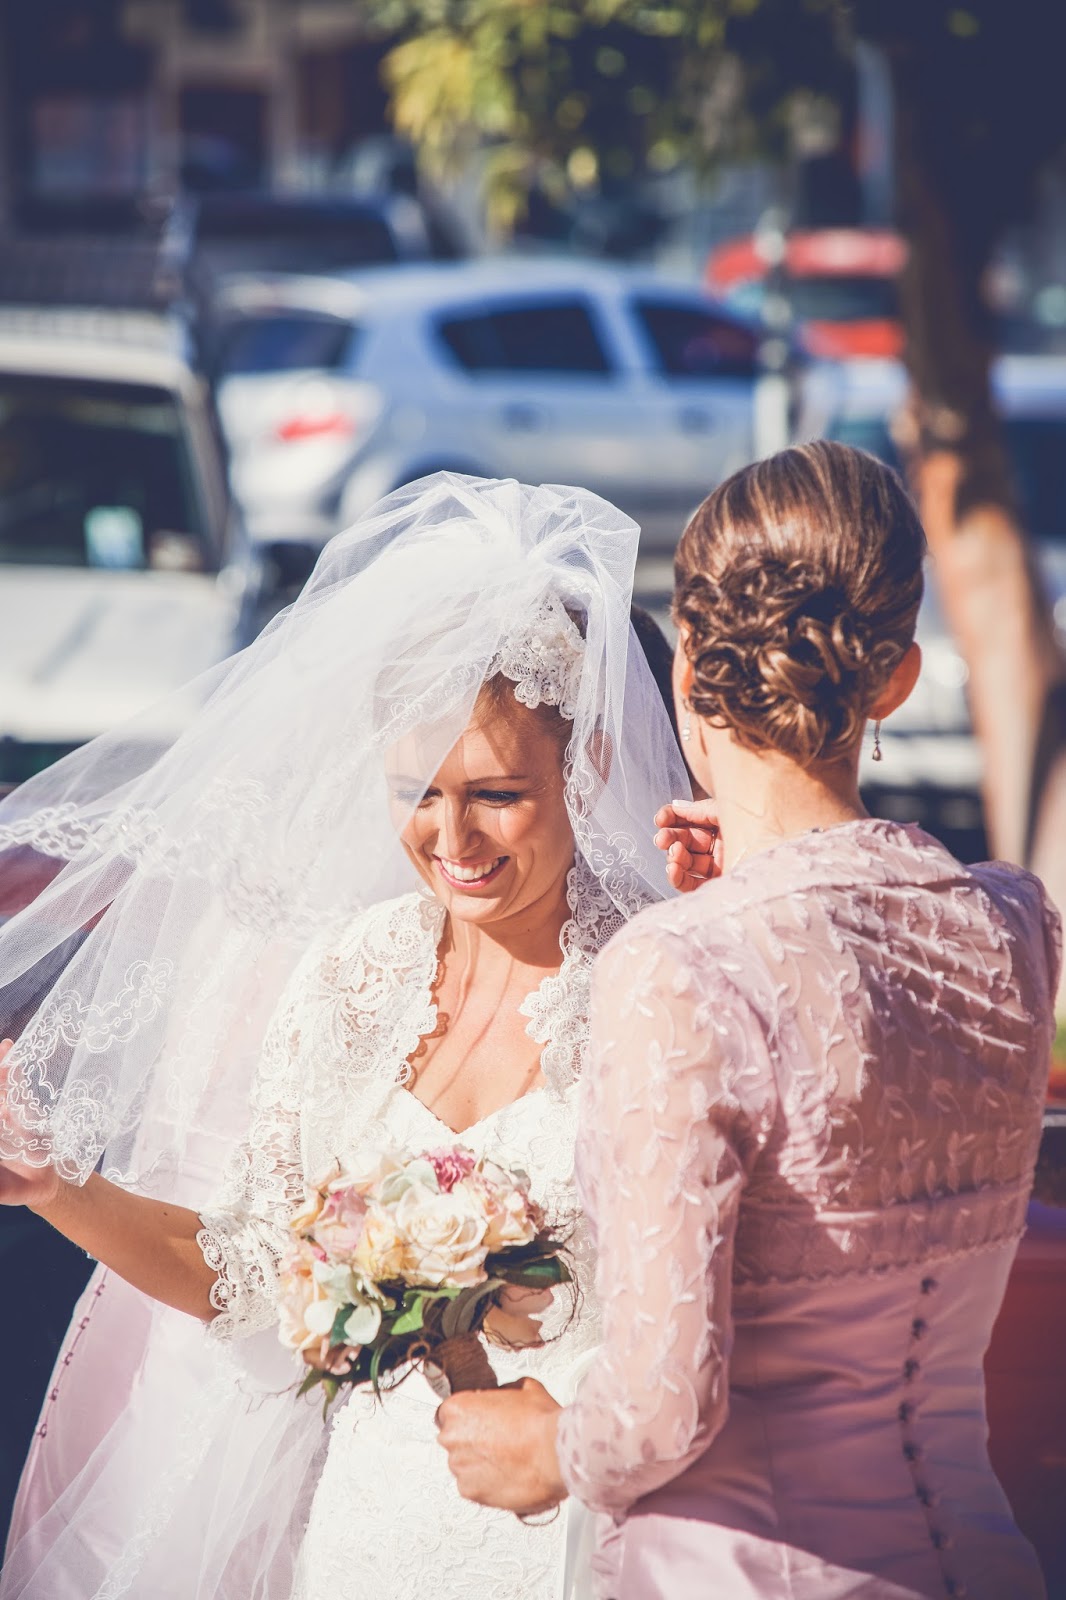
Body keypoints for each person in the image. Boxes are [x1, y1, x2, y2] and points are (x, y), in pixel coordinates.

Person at [0, 472, 690, 1599]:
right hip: (362, 1539)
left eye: (497, 793)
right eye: (416, 790)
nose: (451, 837)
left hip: (577, 1543)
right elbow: (251, 1277)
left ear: (589, 765)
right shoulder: (351, 978)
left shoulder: (661, 991)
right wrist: (52, 1185)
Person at [437, 442, 1061, 1600]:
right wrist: (761, 879)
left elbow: (661, 1409)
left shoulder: (678, 969)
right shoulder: (1011, 927)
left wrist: (543, 1449)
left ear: (686, 672)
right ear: (897, 679)